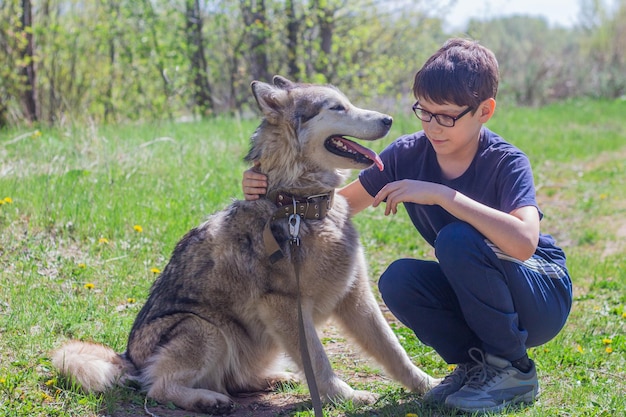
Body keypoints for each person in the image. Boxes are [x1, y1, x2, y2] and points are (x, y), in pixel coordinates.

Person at [241, 38, 572, 414]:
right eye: (424, 112)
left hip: (540, 294)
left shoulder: (505, 161)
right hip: (483, 291)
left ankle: (514, 371)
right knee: (399, 279)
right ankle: (477, 365)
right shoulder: (408, 154)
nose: (433, 126)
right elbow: (338, 206)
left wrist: (443, 196)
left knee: (457, 239)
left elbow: (524, 243)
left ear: (484, 111)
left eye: (446, 116)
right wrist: (271, 190)